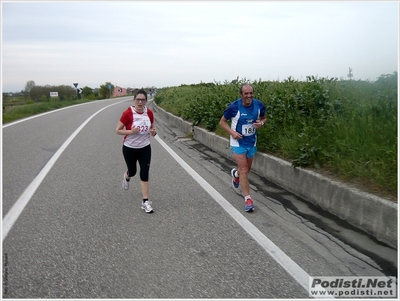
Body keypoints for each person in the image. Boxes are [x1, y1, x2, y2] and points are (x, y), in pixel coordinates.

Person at [219, 84, 266, 212]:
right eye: (246, 94)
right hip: (237, 143)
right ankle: (248, 199)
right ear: (241, 95)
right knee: (244, 169)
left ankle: (235, 174)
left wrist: (261, 123)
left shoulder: (259, 105)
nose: (249, 96)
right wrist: (232, 133)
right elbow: (222, 121)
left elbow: (264, 117)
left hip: (251, 142)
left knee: (246, 170)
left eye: (251, 93)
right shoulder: (235, 106)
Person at [116, 89, 157, 213]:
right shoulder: (128, 113)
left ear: (146, 101)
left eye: (142, 100)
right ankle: (127, 176)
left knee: (144, 173)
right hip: (130, 148)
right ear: (134, 100)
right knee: (133, 171)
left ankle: (145, 202)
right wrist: (130, 132)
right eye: (138, 99)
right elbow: (118, 130)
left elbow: (153, 127)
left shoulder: (149, 113)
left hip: (145, 147)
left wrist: (154, 131)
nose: (140, 102)